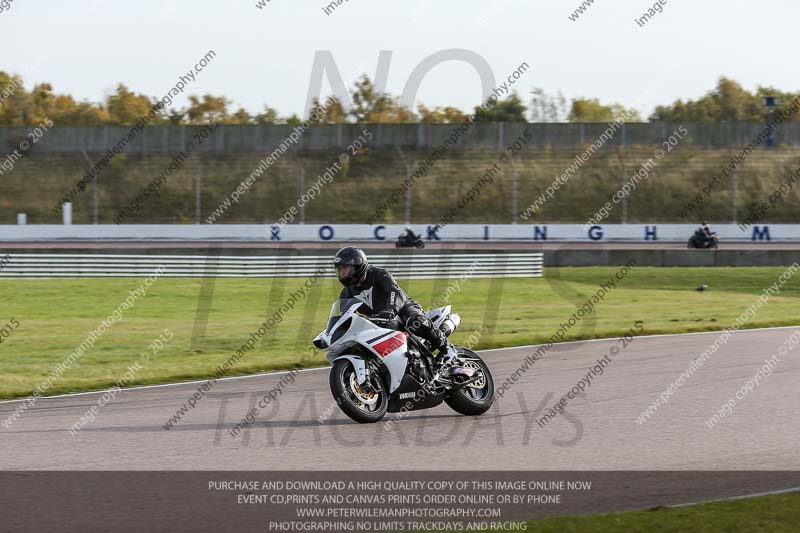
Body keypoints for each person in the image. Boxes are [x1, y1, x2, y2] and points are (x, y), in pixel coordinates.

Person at [333, 246, 458, 373]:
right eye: (340, 269)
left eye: (345, 268)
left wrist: (390, 310)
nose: (342, 273)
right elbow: (345, 316)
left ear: (358, 265)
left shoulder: (378, 274)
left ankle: (448, 349)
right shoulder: (346, 293)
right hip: (377, 322)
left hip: (402, 309)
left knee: (416, 322)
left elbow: (395, 291)